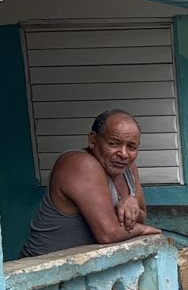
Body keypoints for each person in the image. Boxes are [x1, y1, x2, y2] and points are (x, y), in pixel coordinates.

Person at [20, 109, 162, 258]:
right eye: (114, 144)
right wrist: (142, 229)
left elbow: (142, 215)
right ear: (93, 140)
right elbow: (108, 234)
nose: (124, 154)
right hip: (43, 268)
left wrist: (132, 203)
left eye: (132, 146)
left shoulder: (128, 167)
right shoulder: (80, 164)